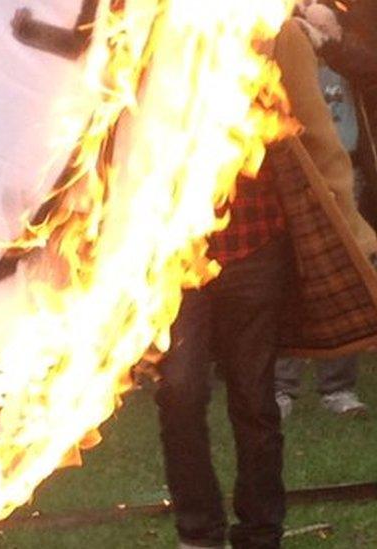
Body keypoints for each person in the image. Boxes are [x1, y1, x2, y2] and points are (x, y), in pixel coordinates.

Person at [154, 16, 377, 549]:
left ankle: (260, 533)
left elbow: (319, 135)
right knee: (178, 392)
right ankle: (198, 532)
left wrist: (352, 230)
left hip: (254, 246)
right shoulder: (147, 30)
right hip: (173, 252)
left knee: (254, 399)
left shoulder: (275, 31)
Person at [274, 1, 371, 419]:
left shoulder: (348, 20)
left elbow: (368, 65)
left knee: (344, 272)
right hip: (294, 172)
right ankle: (281, 387)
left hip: (348, 164)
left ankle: (339, 389)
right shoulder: (266, 22)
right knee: (292, 275)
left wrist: (329, 37)